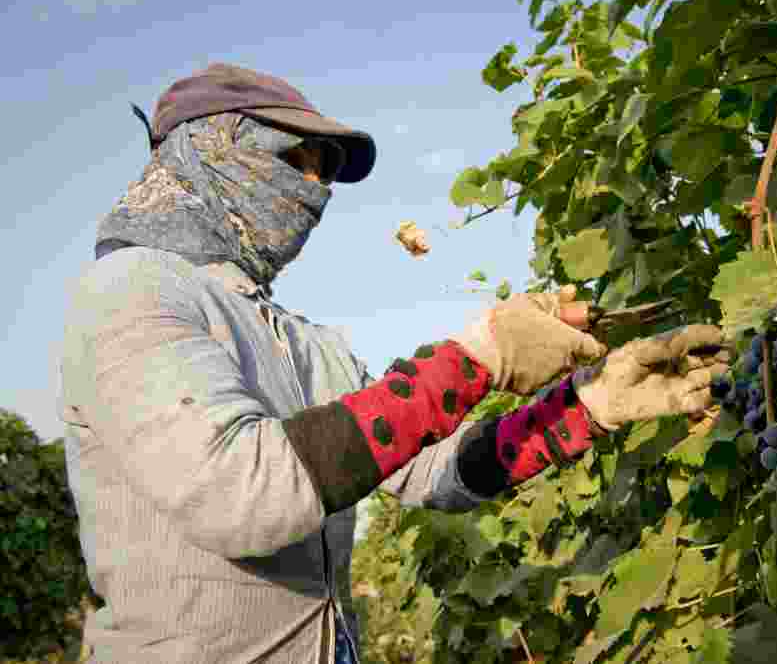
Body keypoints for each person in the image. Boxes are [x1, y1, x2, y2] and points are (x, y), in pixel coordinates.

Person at [58, 63, 732, 664]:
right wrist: (479, 358)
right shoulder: (131, 291)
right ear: (213, 149)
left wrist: (588, 405)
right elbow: (244, 493)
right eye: (299, 158)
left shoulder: (306, 342)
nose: (316, 188)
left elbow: (432, 473)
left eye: (325, 167)